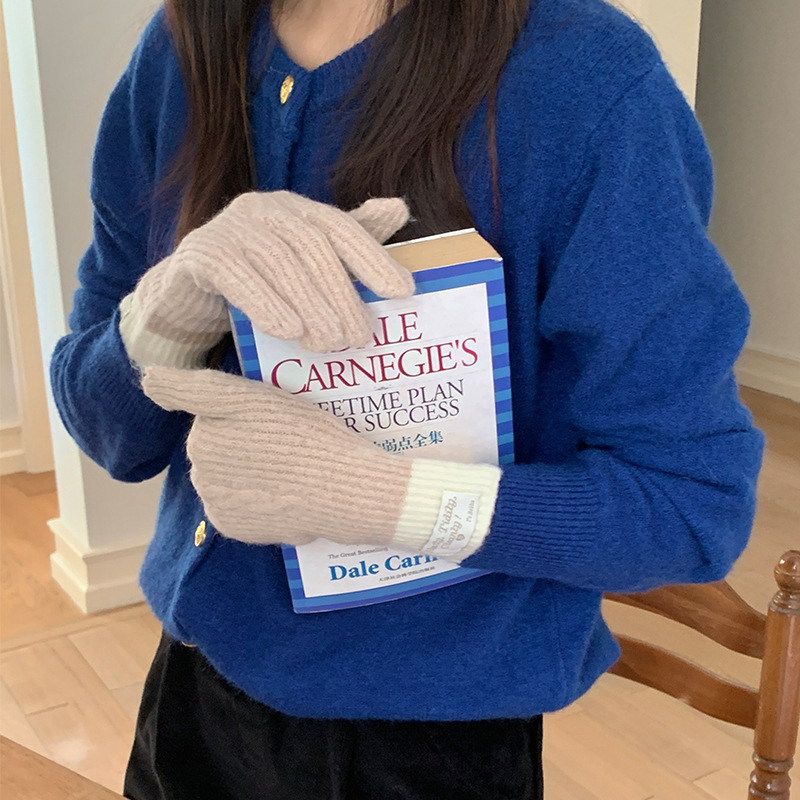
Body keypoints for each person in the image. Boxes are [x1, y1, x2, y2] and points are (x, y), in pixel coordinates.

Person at [49, 0, 765, 797]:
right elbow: (109, 432)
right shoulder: (184, 47)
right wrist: (173, 308)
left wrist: (383, 497)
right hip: (191, 696)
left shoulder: (582, 79)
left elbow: (687, 508)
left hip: (430, 743)